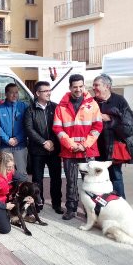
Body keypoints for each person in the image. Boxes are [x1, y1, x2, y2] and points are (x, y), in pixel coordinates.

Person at [53, 74, 103, 220]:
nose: (78, 89)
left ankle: (90, 210)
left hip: (88, 151)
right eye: (75, 87)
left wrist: (84, 145)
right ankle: (71, 209)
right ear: (70, 88)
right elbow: (57, 128)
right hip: (69, 151)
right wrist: (71, 145)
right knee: (71, 181)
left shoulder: (92, 104)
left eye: (81, 86)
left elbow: (98, 126)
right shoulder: (61, 106)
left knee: (90, 182)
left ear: (84, 86)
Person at [93, 74, 133, 199]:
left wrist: (110, 119)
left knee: (115, 176)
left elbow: (129, 128)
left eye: (97, 85)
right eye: (93, 85)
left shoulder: (119, 101)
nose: (94, 88)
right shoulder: (92, 102)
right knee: (98, 178)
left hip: (112, 148)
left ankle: (120, 204)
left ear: (107, 86)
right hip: (96, 149)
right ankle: (102, 204)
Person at [24, 81, 63, 214]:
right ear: (37, 93)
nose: (48, 93)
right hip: (37, 150)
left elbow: (59, 126)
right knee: (37, 179)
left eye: (49, 90)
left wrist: (52, 142)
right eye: (45, 91)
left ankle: (56, 203)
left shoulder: (55, 107)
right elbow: (29, 129)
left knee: (56, 178)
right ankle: (37, 203)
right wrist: (43, 142)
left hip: (53, 149)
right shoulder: (30, 109)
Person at [0, 83, 29, 178]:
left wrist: (18, 139)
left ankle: (21, 192)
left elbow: (27, 125)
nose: (15, 95)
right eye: (12, 93)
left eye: (16, 92)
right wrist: (7, 140)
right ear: (6, 94)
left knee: (21, 174)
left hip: (20, 146)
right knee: (4, 174)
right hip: (5, 146)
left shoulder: (24, 107)